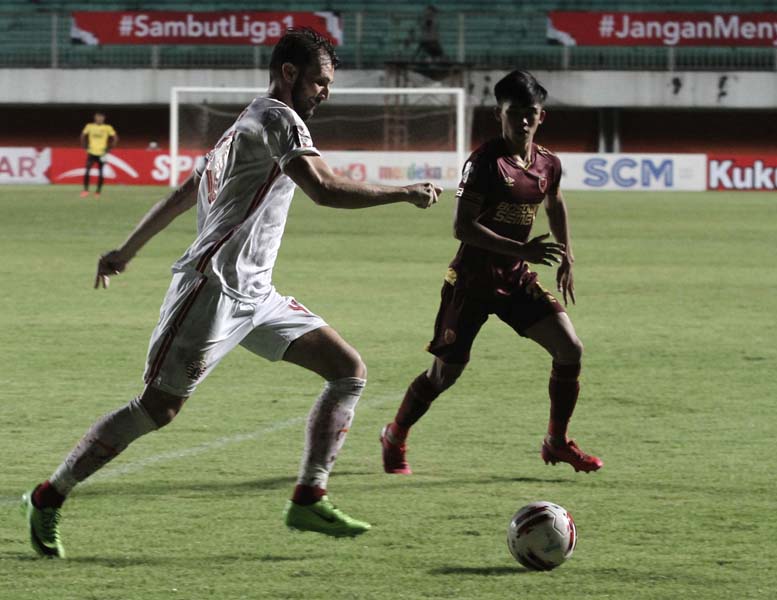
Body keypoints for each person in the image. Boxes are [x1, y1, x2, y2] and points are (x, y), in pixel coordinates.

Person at [23, 28, 442, 559]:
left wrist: (126, 251)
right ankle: (48, 494)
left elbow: (182, 194)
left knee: (346, 369)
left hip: (256, 295)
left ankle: (309, 495)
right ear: (288, 74)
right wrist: (403, 191)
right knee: (158, 408)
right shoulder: (275, 118)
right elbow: (325, 189)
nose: (325, 92)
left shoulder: (242, 126)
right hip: (212, 288)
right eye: (318, 81)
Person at [379, 70, 603, 476]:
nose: (522, 120)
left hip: (515, 278)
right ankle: (394, 435)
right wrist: (523, 248)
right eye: (513, 112)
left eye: (529, 113)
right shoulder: (485, 163)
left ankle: (555, 442)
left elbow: (554, 202)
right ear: (498, 115)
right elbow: (461, 228)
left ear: (541, 116)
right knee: (444, 374)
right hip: (471, 282)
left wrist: (568, 253)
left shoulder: (548, 163)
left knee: (570, 349)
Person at [80, 111, 117, 198]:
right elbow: (82, 135)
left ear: (104, 118)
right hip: (92, 152)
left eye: (101, 117)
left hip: (102, 153)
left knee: (101, 172)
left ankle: (98, 192)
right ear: (95, 118)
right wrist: (85, 146)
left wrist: (109, 148)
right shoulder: (89, 126)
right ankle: (85, 190)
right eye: (98, 117)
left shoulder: (107, 127)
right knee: (87, 170)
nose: (100, 119)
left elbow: (115, 137)